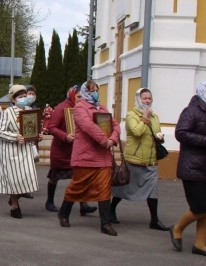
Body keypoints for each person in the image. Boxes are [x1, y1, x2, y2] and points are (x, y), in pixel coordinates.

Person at [57, 80, 120, 236]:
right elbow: (87, 126)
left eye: (96, 90)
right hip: (85, 155)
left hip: (103, 156)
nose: (95, 93)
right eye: (91, 90)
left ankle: (105, 223)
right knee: (78, 186)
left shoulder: (102, 107)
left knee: (104, 189)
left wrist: (113, 138)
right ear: (85, 92)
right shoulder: (80, 108)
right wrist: (104, 140)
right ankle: (64, 213)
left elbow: (115, 124)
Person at [111, 88, 168, 231]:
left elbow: (156, 131)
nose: (148, 101)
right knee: (125, 188)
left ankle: (154, 220)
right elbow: (136, 132)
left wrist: (159, 136)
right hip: (134, 159)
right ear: (138, 99)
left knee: (152, 190)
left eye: (149, 98)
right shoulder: (131, 115)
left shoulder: (155, 116)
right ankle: (111, 210)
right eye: (145, 98)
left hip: (151, 159)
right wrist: (145, 117)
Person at [47, 86, 97, 216]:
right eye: (79, 96)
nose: (81, 99)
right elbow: (52, 127)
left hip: (78, 150)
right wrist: (65, 136)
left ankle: (83, 204)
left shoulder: (85, 108)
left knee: (80, 177)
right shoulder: (62, 107)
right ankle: (50, 201)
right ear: (72, 95)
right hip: (62, 151)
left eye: (83, 96)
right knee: (54, 177)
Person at [169, 81, 206, 256]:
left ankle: (200, 244)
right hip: (191, 166)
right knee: (199, 206)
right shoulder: (192, 110)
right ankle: (177, 228)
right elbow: (180, 132)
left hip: (203, 167)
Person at [0, 85, 43, 219]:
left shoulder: (30, 110)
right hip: (12, 151)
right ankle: (15, 206)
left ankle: (14, 198)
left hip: (26, 150)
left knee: (27, 179)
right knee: (15, 180)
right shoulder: (8, 112)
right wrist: (15, 137)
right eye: (20, 97)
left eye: (25, 96)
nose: (24, 99)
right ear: (14, 99)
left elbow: (32, 129)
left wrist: (38, 136)